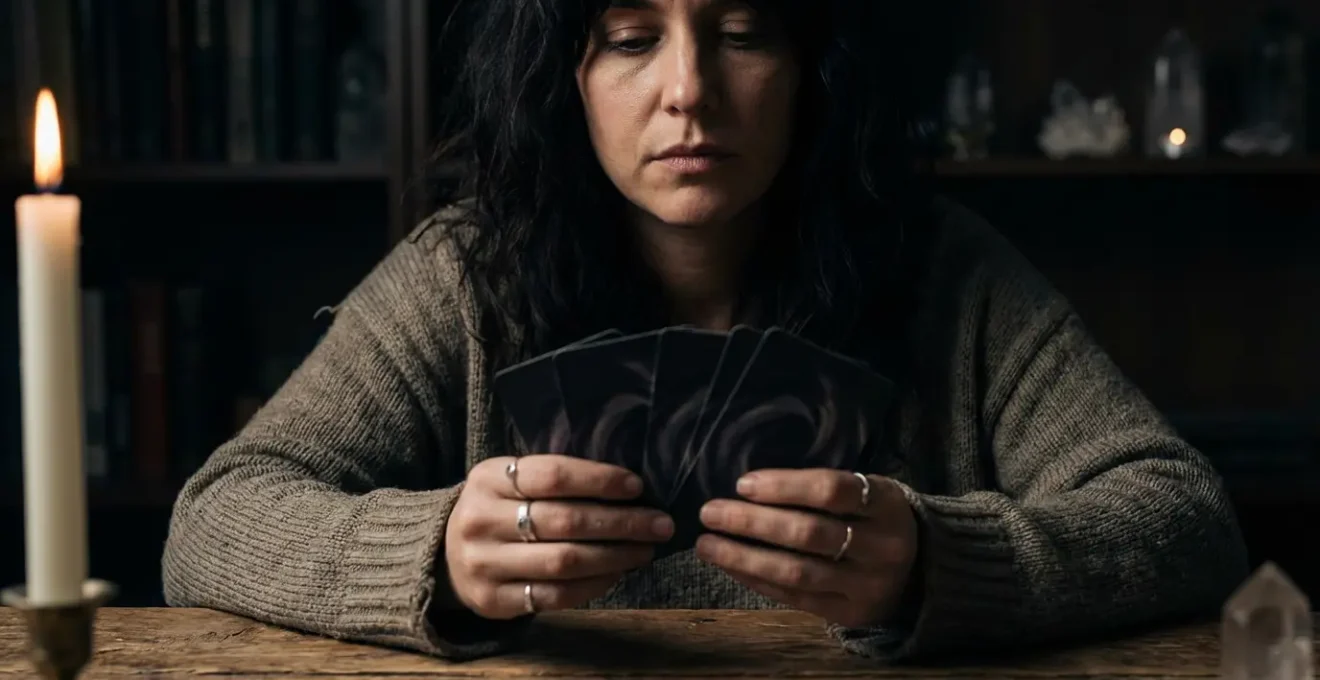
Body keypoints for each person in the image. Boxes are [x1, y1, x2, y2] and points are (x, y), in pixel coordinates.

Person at [161, 0, 1249, 664]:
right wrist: (434, 553)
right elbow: (214, 521)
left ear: (811, 71)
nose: (690, 91)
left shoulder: (945, 269)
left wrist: (937, 561)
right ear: (565, 82)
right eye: (630, 38)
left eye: (740, 33)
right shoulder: (463, 271)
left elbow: (1184, 517)